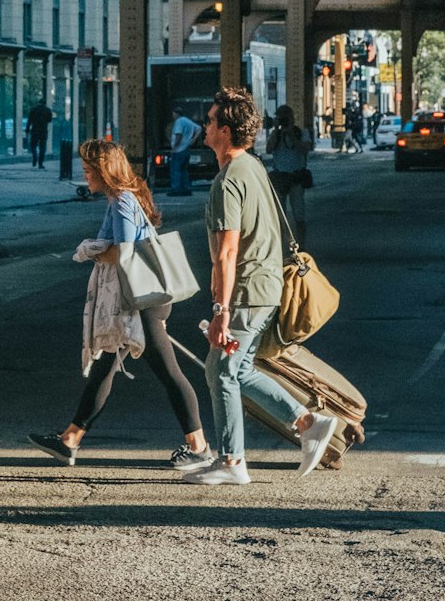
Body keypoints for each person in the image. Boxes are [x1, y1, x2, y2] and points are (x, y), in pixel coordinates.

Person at [28, 138, 214, 472]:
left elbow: (127, 254)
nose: (85, 176)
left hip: (142, 302)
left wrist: (92, 249)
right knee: (103, 370)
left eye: (88, 170)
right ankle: (69, 440)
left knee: (170, 375)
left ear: (104, 170)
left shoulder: (124, 202)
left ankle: (200, 448)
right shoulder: (120, 199)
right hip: (136, 299)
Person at [183, 87, 337, 487]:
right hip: (267, 288)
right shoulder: (254, 167)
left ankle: (233, 460)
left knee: (221, 371)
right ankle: (307, 422)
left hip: (247, 291)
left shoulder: (228, 180)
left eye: (212, 120)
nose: (206, 125)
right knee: (237, 369)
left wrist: (220, 310)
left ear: (227, 130)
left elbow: (227, 252)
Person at [265, 104, 313, 246]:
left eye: (286, 118)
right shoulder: (277, 134)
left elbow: (304, 150)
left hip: (296, 177)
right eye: (282, 118)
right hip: (280, 177)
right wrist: (276, 130)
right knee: (280, 216)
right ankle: (281, 246)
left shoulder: (300, 132)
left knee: (299, 214)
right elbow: (268, 150)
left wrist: (291, 133)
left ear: (292, 118)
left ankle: (301, 246)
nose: (284, 121)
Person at [168, 107, 204, 196]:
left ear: (176, 113)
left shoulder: (179, 122)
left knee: (175, 170)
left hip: (178, 150)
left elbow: (179, 135)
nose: (172, 116)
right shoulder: (187, 121)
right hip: (186, 149)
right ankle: (186, 188)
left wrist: (174, 147)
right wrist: (193, 140)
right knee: (184, 170)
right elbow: (199, 128)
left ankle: (176, 189)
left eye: (173, 114)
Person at [25, 99, 54, 169]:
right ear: (45, 103)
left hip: (35, 130)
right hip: (43, 131)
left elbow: (29, 120)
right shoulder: (48, 110)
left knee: (33, 145)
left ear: (39, 103)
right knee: (42, 147)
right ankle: (40, 164)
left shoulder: (33, 109)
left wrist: (27, 129)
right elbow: (49, 120)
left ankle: (35, 156)